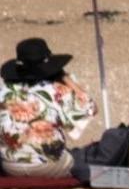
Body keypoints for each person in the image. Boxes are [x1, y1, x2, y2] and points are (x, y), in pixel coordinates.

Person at [0, 37, 97, 179]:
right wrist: (66, 79)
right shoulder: (56, 89)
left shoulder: (3, 92)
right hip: (49, 166)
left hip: (11, 167)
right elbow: (91, 107)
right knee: (79, 158)